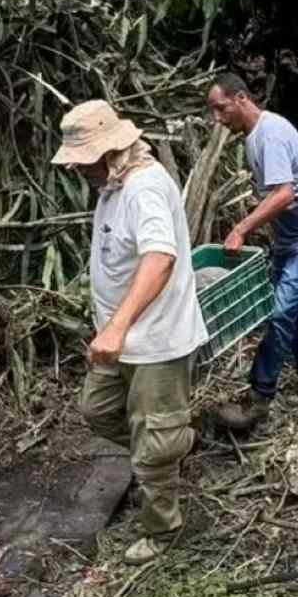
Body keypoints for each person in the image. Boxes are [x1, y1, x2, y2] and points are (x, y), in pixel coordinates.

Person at [51, 100, 208, 565]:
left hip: (154, 341)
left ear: (109, 151)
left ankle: (165, 530)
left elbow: (160, 258)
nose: (77, 168)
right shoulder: (113, 185)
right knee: (98, 410)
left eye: (83, 159)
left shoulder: (143, 188)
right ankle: (171, 446)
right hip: (123, 338)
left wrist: (116, 327)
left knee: (153, 442)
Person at [205, 72, 298, 430]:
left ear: (241, 98)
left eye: (221, 108)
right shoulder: (253, 137)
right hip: (290, 236)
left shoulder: (271, 134)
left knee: (280, 312)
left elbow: (284, 194)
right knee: (293, 311)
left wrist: (240, 228)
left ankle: (259, 398)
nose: (218, 118)